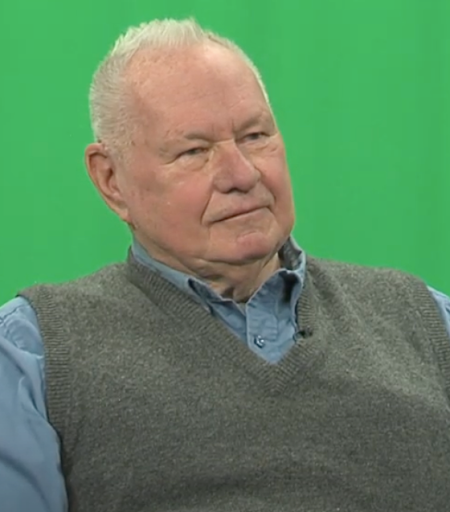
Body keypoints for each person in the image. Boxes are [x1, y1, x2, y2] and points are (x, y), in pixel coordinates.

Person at [1, 17, 450, 512]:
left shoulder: (426, 322)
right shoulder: (33, 355)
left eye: (255, 136)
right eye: (194, 151)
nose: (241, 174)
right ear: (111, 180)